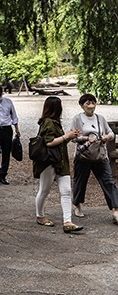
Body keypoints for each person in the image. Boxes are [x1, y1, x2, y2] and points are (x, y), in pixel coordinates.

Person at [33, 97, 83, 233]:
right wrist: (67, 136)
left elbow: (58, 143)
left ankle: (68, 221)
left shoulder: (55, 122)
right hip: (49, 162)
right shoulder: (48, 122)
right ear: (57, 108)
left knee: (66, 191)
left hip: (60, 161)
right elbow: (49, 142)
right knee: (44, 190)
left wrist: (70, 137)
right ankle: (40, 215)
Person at [69, 93, 118, 222]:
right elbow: (73, 137)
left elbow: (111, 133)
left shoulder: (100, 118)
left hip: (100, 156)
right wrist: (86, 138)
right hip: (83, 156)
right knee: (80, 182)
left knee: (109, 182)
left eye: (93, 101)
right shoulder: (77, 119)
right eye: (87, 102)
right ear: (81, 105)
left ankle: (116, 209)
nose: (91, 103)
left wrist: (107, 137)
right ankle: (78, 204)